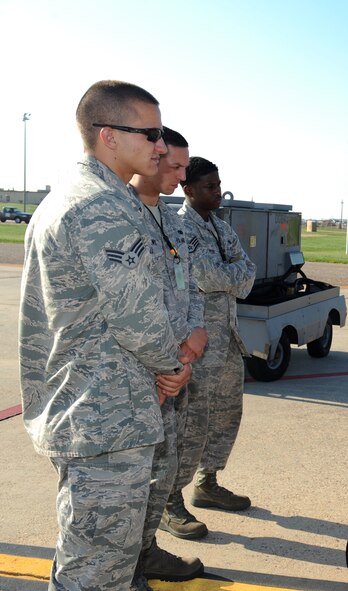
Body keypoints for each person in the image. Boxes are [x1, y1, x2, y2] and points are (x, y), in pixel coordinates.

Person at [19, 80, 191, 591]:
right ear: (109, 135)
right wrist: (171, 366)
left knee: (91, 557)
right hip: (105, 415)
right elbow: (137, 315)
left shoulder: (89, 197)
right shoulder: (100, 207)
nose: (161, 146)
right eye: (152, 133)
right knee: (97, 569)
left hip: (97, 409)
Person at [161, 156, 256, 539]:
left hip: (228, 339)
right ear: (188, 190)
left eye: (218, 185)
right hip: (197, 343)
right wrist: (232, 276)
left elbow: (248, 273)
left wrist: (230, 276)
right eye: (209, 187)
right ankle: (170, 501)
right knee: (190, 424)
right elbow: (202, 275)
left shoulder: (219, 225)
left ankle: (207, 482)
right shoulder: (181, 227)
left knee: (227, 414)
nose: (217, 192)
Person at [129, 127, 206, 588]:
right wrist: (168, 359)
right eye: (173, 166)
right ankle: (121, 563)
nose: (181, 177)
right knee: (127, 483)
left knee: (164, 471)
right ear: (150, 156)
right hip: (140, 374)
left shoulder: (173, 219)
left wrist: (195, 334)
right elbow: (128, 306)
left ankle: (143, 551)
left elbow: (190, 283)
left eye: (183, 167)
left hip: (175, 370)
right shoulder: (121, 216)